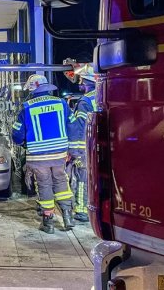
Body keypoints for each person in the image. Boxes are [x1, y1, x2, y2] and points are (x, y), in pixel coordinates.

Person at [11, 74, 75, 233]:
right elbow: (73, 125)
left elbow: (17, 134)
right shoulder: (61, 103)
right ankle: (67, 216)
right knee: (62, 181)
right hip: (60, 153)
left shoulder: (27, 107)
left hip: (38, 156)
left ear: (33, 89)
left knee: (44, 184)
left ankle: (48, 222)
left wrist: (22, 143)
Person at [64, 61, 98, 223]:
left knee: (82, 178)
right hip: (98, 145)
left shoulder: (85, 102)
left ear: (88, 82)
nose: (81, 84)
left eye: (82, 81)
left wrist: (74, 152)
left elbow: (79, 128)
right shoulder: (102, 96)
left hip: (85, 147)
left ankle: (81, 210)